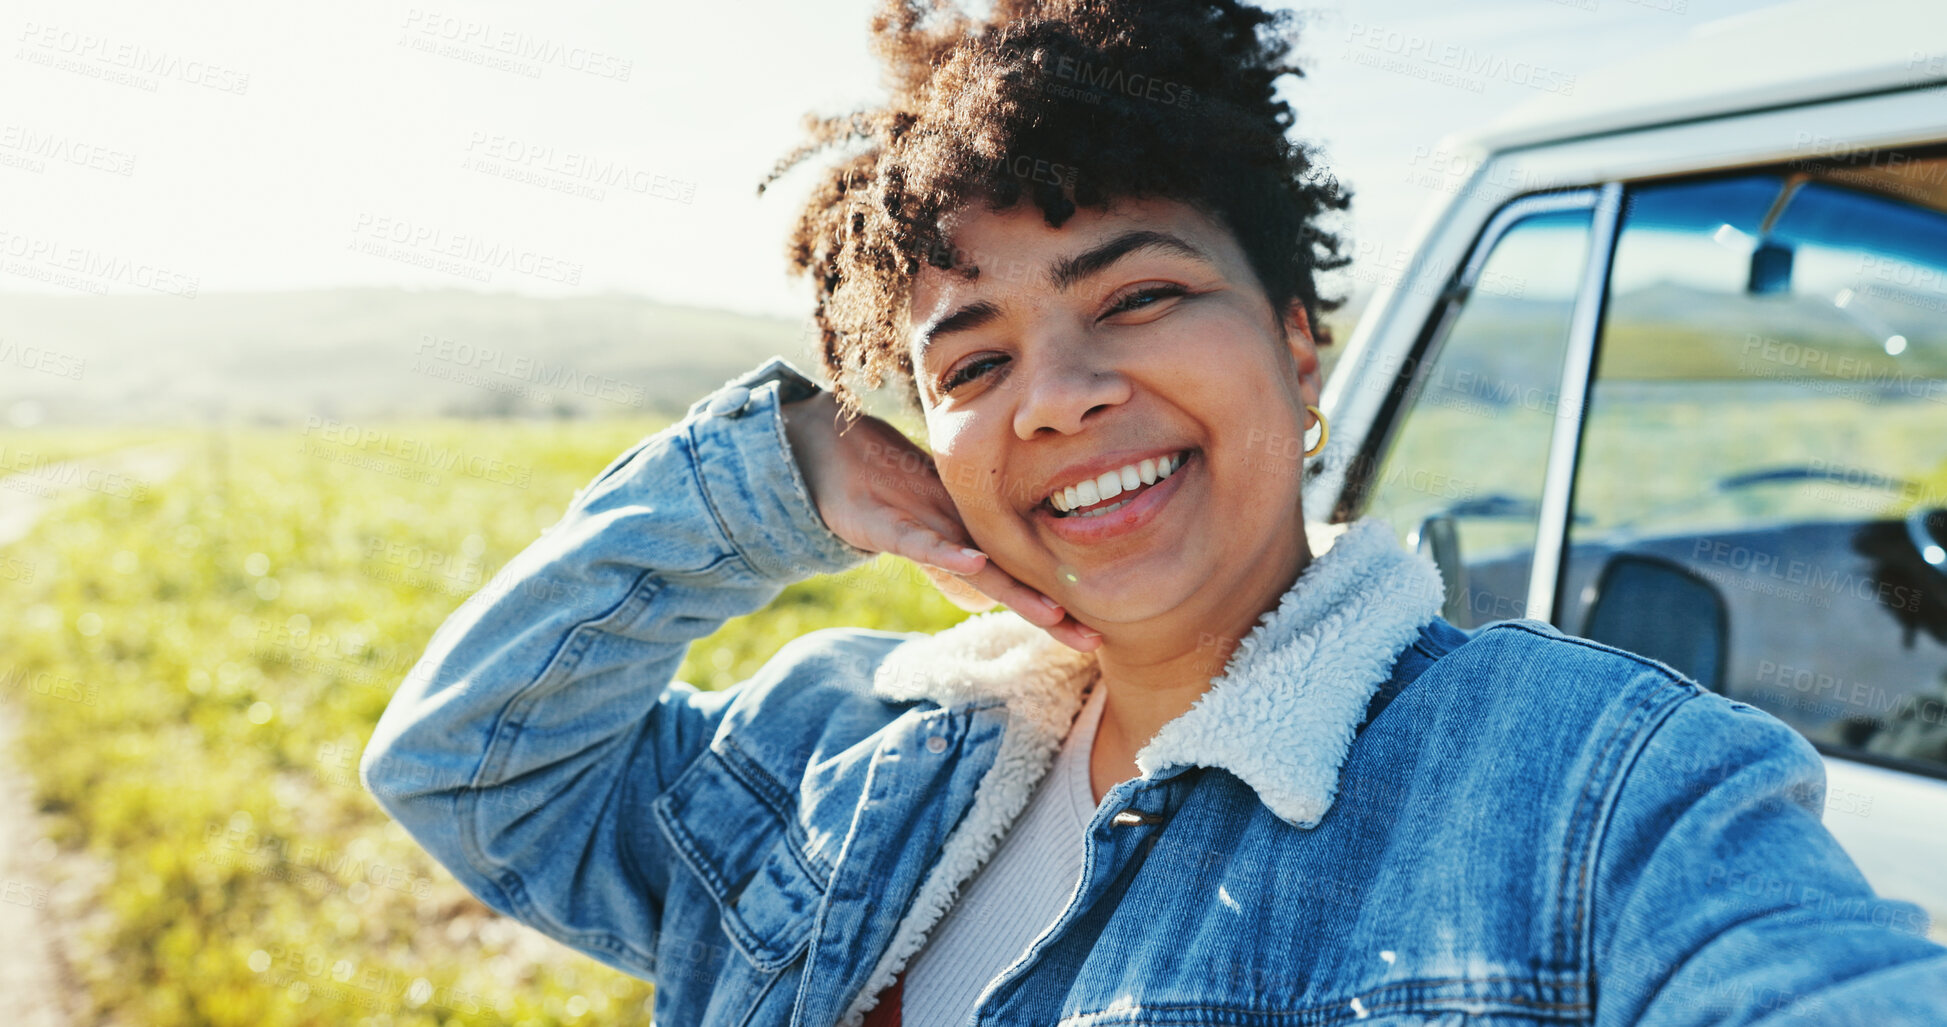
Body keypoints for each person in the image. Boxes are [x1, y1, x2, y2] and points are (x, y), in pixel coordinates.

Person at [361, 1, 1947, 1023]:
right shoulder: (839, 753)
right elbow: (470, 767)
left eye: (1140, 294)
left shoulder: (1586, 791)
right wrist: (779, 472)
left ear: (1297, 343)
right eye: (974, 360)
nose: (1056, 395)